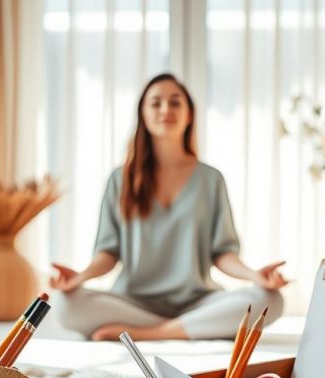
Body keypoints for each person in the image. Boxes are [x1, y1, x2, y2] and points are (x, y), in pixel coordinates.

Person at [50, 73, 287, 341]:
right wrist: (80, 277)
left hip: (198, 300)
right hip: (132, 301)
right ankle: (192, 327)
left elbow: (223, 253)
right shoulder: (120, 179)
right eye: (156, 103)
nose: (166, 109)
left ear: (189, 115)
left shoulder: (211, 179)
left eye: (175, 103)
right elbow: (108, 252)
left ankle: (152, 333)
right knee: (65, 305)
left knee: (271, 299)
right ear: (143, 114)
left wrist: (254, 275)